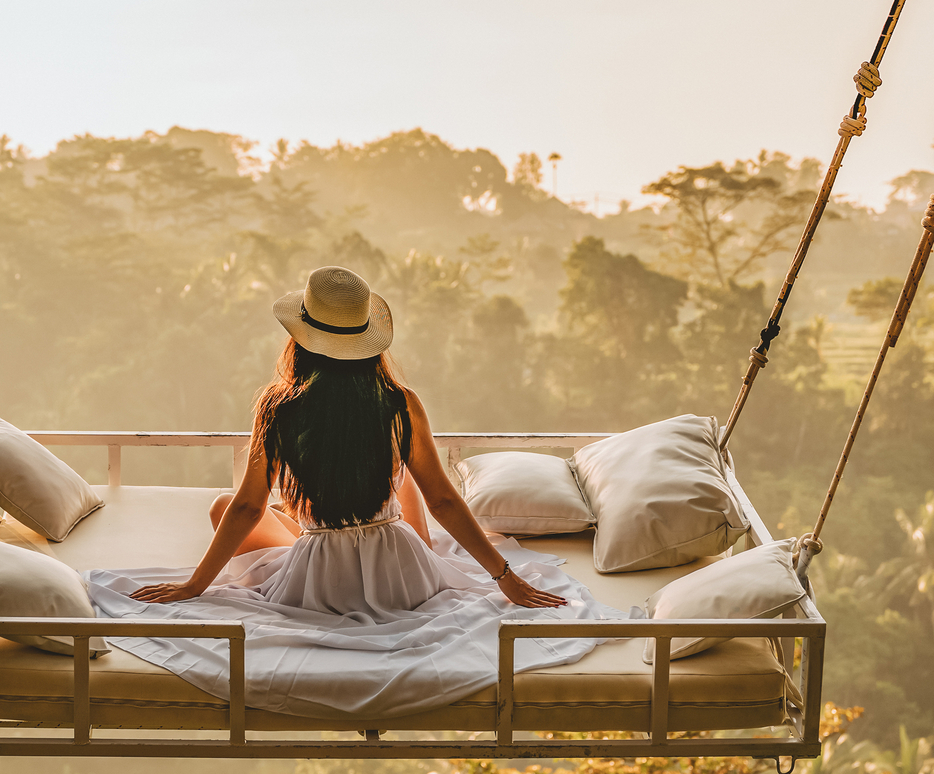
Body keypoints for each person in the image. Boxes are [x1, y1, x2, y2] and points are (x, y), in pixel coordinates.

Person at [83, 266, 622, 720]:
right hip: (402, 570)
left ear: (300, 337)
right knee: (404, 477)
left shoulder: (279, 407)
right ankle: (361, 533)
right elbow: (444, 499)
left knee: (227, 507)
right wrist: (503, 577)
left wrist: (195, 585)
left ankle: (313, 529)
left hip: (321, 578)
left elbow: (248, 507)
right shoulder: (398, 402)